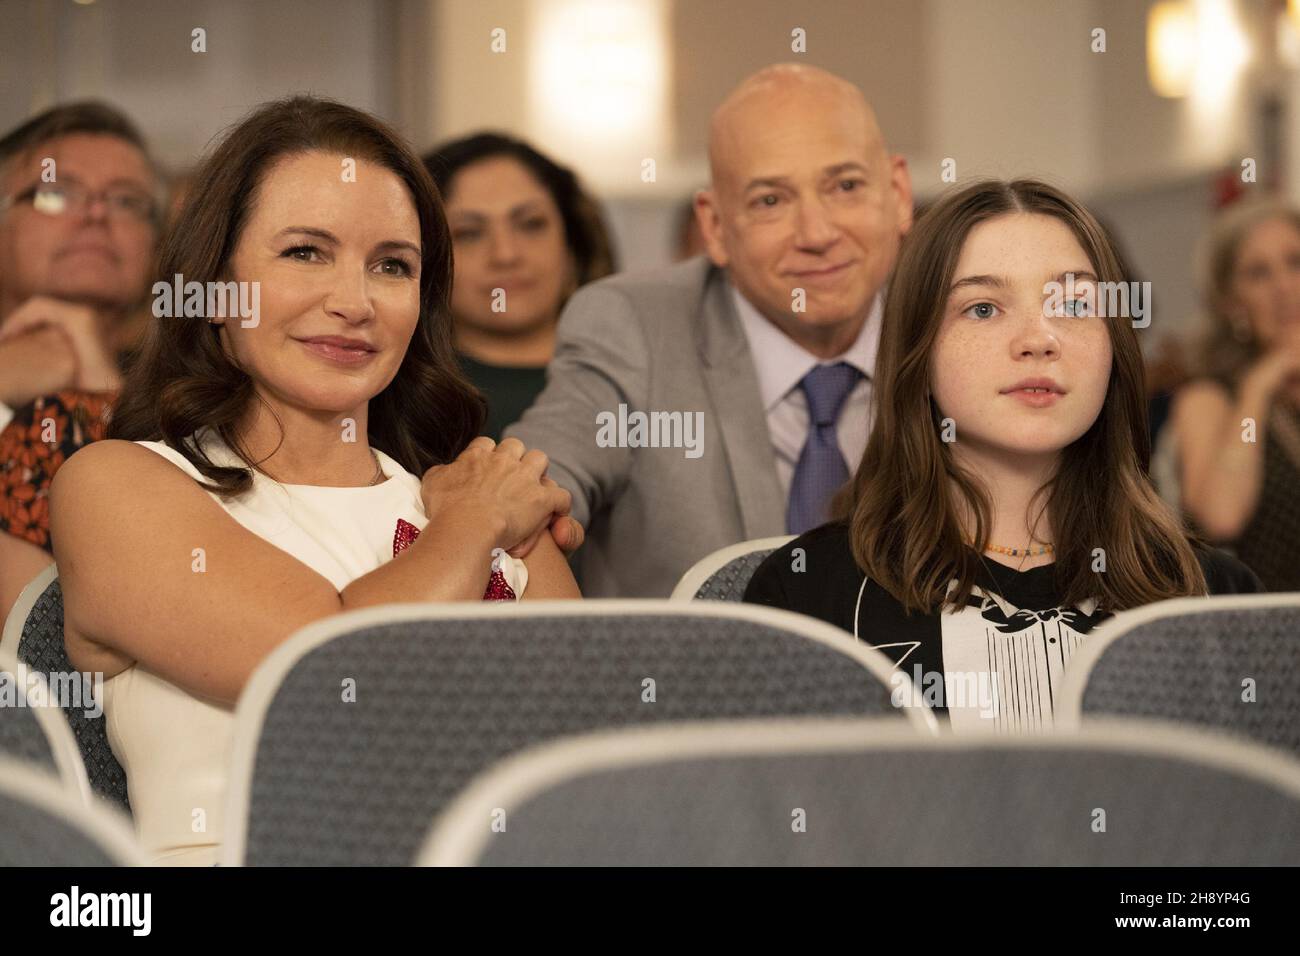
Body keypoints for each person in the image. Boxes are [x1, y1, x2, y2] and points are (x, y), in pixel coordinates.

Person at [50, 96, 580, 865]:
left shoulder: (481, 498)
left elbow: (582, 754)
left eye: (392, 266)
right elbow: (332, 677)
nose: (353, 302)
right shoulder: (118, 486)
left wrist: (477, 514)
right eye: (305, 252)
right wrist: (471, 530)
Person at [744, 179, 1263, 735]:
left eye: (1071, 304)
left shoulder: (1216, 600)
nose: (1037, 340)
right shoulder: (805, 596)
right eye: (984, 308)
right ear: (916, 353)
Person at [507, 64, 913, 596]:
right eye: (770, 200)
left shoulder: (957, 325)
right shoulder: (633, 326)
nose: (817, 233)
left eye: (845, 186)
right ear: (716, 226)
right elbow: (529, 490)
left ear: (898, 193)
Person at [0, 101, 160, 619]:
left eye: (126, 201)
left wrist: (100, 390)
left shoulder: (198, 389)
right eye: (56, 192)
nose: (95, 214)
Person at [422, 133, 615, 440]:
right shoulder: (399, 403)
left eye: (530, 224)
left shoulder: (635, 379)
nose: (505, 254)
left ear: (573, 244)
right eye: (469, 233)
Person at [1168, 198, 1300, 590]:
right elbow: (1221, 515)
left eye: (1296, 262)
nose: (1284, 287)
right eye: (1258, 273)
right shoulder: (1210, 399)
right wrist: (1260, 385)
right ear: (1230, 303)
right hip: (1268, 638)